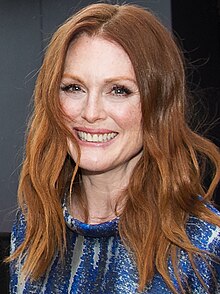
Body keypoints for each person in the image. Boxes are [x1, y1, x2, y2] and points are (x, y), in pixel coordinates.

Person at [7, 3, 220, 294]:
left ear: (159, 106)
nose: (91, 112)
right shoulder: (35, 223)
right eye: (74, 87)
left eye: (119, 90)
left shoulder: (203, 244)